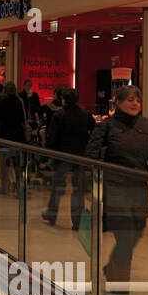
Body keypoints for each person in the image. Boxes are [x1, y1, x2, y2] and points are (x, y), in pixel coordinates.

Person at [85, 85, 148, 295]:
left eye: (138, 100)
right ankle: (121, 294)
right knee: (125, 239)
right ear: (118, 102)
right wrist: (93, 181)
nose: (135, 104)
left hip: (139, 191)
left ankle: (112, 268)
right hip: (115, 191)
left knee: (136, 234)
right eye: (130, 100)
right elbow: (91, 156)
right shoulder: (106, 127)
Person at [42, 88, 95, 230]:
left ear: (63, 100)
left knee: (58, 186)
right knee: (78, 188)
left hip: (63, 156)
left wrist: (48, 156)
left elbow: (52, 138)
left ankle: (52, 213)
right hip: (81, 156)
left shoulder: (59, 116)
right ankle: (77, 221)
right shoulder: (86, 115)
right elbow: (94, 133)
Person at [0, 81, 28, 193]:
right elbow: (23, 119)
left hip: (4, 136)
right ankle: (18, 186)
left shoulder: (1, 102)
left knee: (4, 163)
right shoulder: (19, 102)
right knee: (17, 163)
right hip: (17, 136)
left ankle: (5, 186)